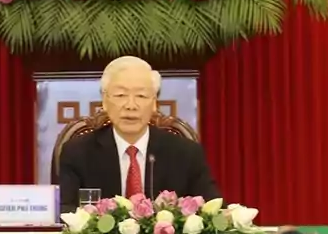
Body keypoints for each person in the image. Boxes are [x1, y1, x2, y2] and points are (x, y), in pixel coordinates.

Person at [57, 56, 221, 210]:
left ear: (154, 103)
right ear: (105, 101)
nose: (131, 105)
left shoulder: (186, 153)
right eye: (121, 95)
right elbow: (65, 214)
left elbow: (212, 210)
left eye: (141, 96)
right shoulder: (77, 153)